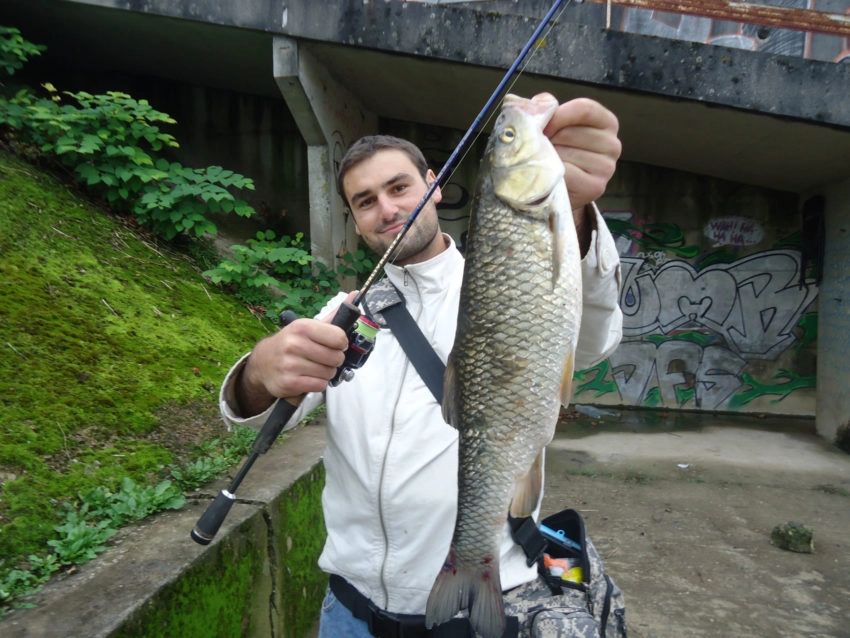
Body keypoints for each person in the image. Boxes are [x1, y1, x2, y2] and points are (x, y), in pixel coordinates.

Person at [219, 93, 624, 637]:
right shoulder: (344, 315)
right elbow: (246, 412)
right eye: (365, 201)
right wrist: (258, 372)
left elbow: (594, 339)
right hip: (348, 612)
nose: (386, 208)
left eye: (399, 187)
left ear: (433, 184)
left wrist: (573, 215)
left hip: (471, 614)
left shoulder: (500, 276)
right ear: (356, 221)